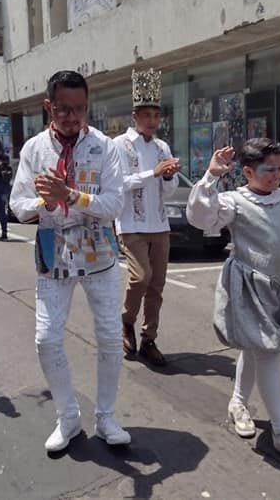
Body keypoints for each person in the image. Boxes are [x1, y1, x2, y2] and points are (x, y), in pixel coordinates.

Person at [187, 139, 280, 463]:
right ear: (248, 171)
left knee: (255, 349)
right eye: (270, 169)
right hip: (248, 286)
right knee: (267, 350)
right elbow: (200, 216)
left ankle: (238, 402)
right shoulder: (235, 201)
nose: (277, 174)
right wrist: (210, 177)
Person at [10, 70, 130, 452]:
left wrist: (72, 195)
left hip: (101, 256)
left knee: (111, 338)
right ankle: (68, 418)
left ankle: (107, 418)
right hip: (53, 256)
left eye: (80, 109)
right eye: (64, 109)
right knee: (46, 339)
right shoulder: (33, 150)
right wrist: (46, 202)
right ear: (49, 106)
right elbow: (17, 205)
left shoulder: (106, 147)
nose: (73, 117)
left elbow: (115, 204)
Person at [113, 69, 180, 366]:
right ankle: (126, 320)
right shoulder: (119, 145)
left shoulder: (162, 147)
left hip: (159, 224)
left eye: (156, 115)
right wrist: (151, 173)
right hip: (131, 224)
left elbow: (170, 189)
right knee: (141, 276)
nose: (152, 121)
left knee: (157, 285)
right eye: (147, 115)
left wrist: (167, 176)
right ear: (134, 116)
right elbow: (117, 184)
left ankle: (149, 338)